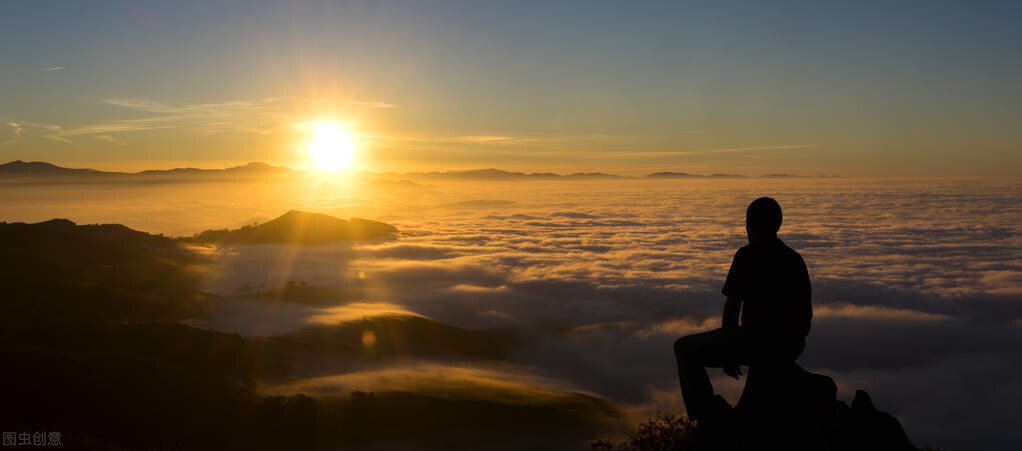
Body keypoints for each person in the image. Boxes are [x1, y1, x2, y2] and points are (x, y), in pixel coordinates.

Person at [673, 197, 812, 424]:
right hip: (790, 345)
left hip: (756, 342)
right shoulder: (794, 259)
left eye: (748, 222)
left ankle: (705, 419)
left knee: (684, 349)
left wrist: (729, 351)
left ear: (756, 225)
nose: (746, 227)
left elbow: (732, 306)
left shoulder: (747, 256)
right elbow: (805, 315)